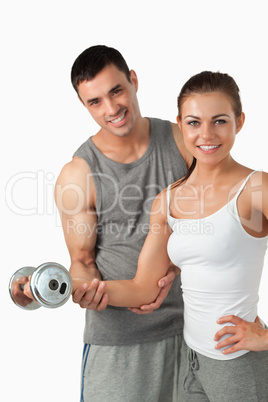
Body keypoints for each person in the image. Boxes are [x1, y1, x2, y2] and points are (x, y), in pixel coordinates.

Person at [73, 71, 268, 401]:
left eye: (219, 121)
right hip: (189, 361)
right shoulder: (169, 200)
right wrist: (73, 289)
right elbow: (143, 288)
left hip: (237, 363)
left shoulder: (256, 189)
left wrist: (266, 338)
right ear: (181, 123)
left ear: (240, 121)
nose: (206, 134)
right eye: (194, 122)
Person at [55, 45, 192, 402]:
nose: (111, 109)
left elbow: (218, 219)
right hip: (119, 342)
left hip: (193, 333)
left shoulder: (183, 141)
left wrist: (172, 269)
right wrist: (88, 291)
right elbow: (82, 262)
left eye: (116, 91)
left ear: (133, 80)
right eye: (95, 102)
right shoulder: (77, 174)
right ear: (85, 106)